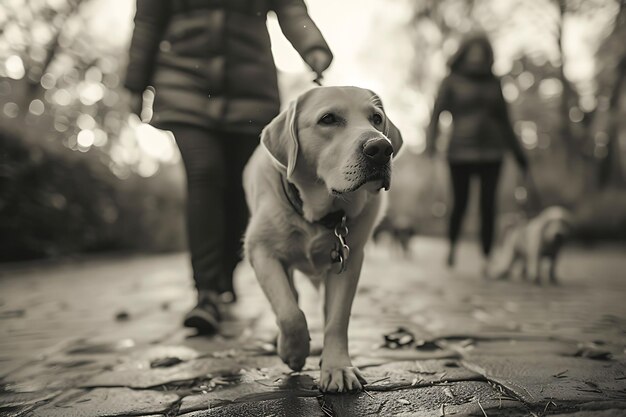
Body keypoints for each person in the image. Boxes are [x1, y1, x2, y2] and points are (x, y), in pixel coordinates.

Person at [124, 0, 333, 334]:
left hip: (251, 91)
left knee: (240, 188)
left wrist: (313, 47)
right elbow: (148, 20)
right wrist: (135, 84)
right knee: (204, 174)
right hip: (183, 84)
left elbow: (292, 9)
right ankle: (206, 292)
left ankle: (226, 272)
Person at [426, 32, 528, 268]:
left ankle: (487, 254)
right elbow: (436, 114)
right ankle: (451, 247)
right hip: (460, 151)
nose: (477, 56)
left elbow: (504, 120)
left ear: (488, 54)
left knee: (488, 204)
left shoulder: (495, 82)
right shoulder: (451, 80)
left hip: (493, 151)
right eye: (473, 50)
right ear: (464, 52)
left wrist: (519, 154)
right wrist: (431, 144)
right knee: (459, 202)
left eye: (481, 51)